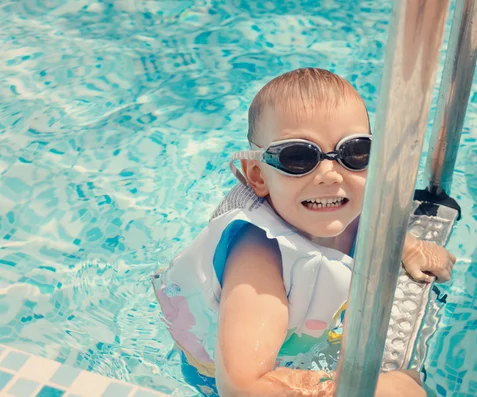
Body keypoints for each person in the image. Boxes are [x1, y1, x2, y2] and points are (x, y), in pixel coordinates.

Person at [153, 68, 456, 397]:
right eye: (298, 158)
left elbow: (373, 221)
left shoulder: (339, 200)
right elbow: (243, 386)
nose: (330, 175)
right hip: (215, 371)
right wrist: (376, 390)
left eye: (354, 153)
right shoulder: (258, 261)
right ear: (258, 176)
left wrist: (409, 248)